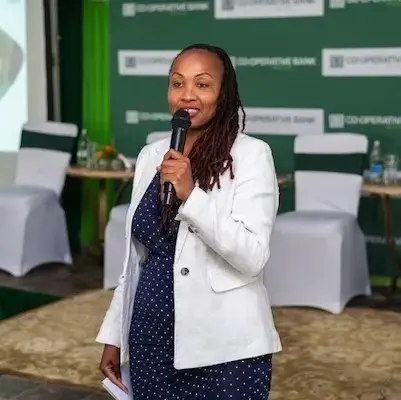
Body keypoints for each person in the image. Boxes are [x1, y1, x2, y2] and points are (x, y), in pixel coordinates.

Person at [96, 43, 282, 399]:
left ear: (224, 93)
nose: (187, 95)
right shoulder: (152, 154)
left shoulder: (251, 155)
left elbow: (253, 256)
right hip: (150, 340)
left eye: (203, 84)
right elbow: (135, 262)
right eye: (178, 83)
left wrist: (191, 196)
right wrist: (114, 336)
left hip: (225, 349)